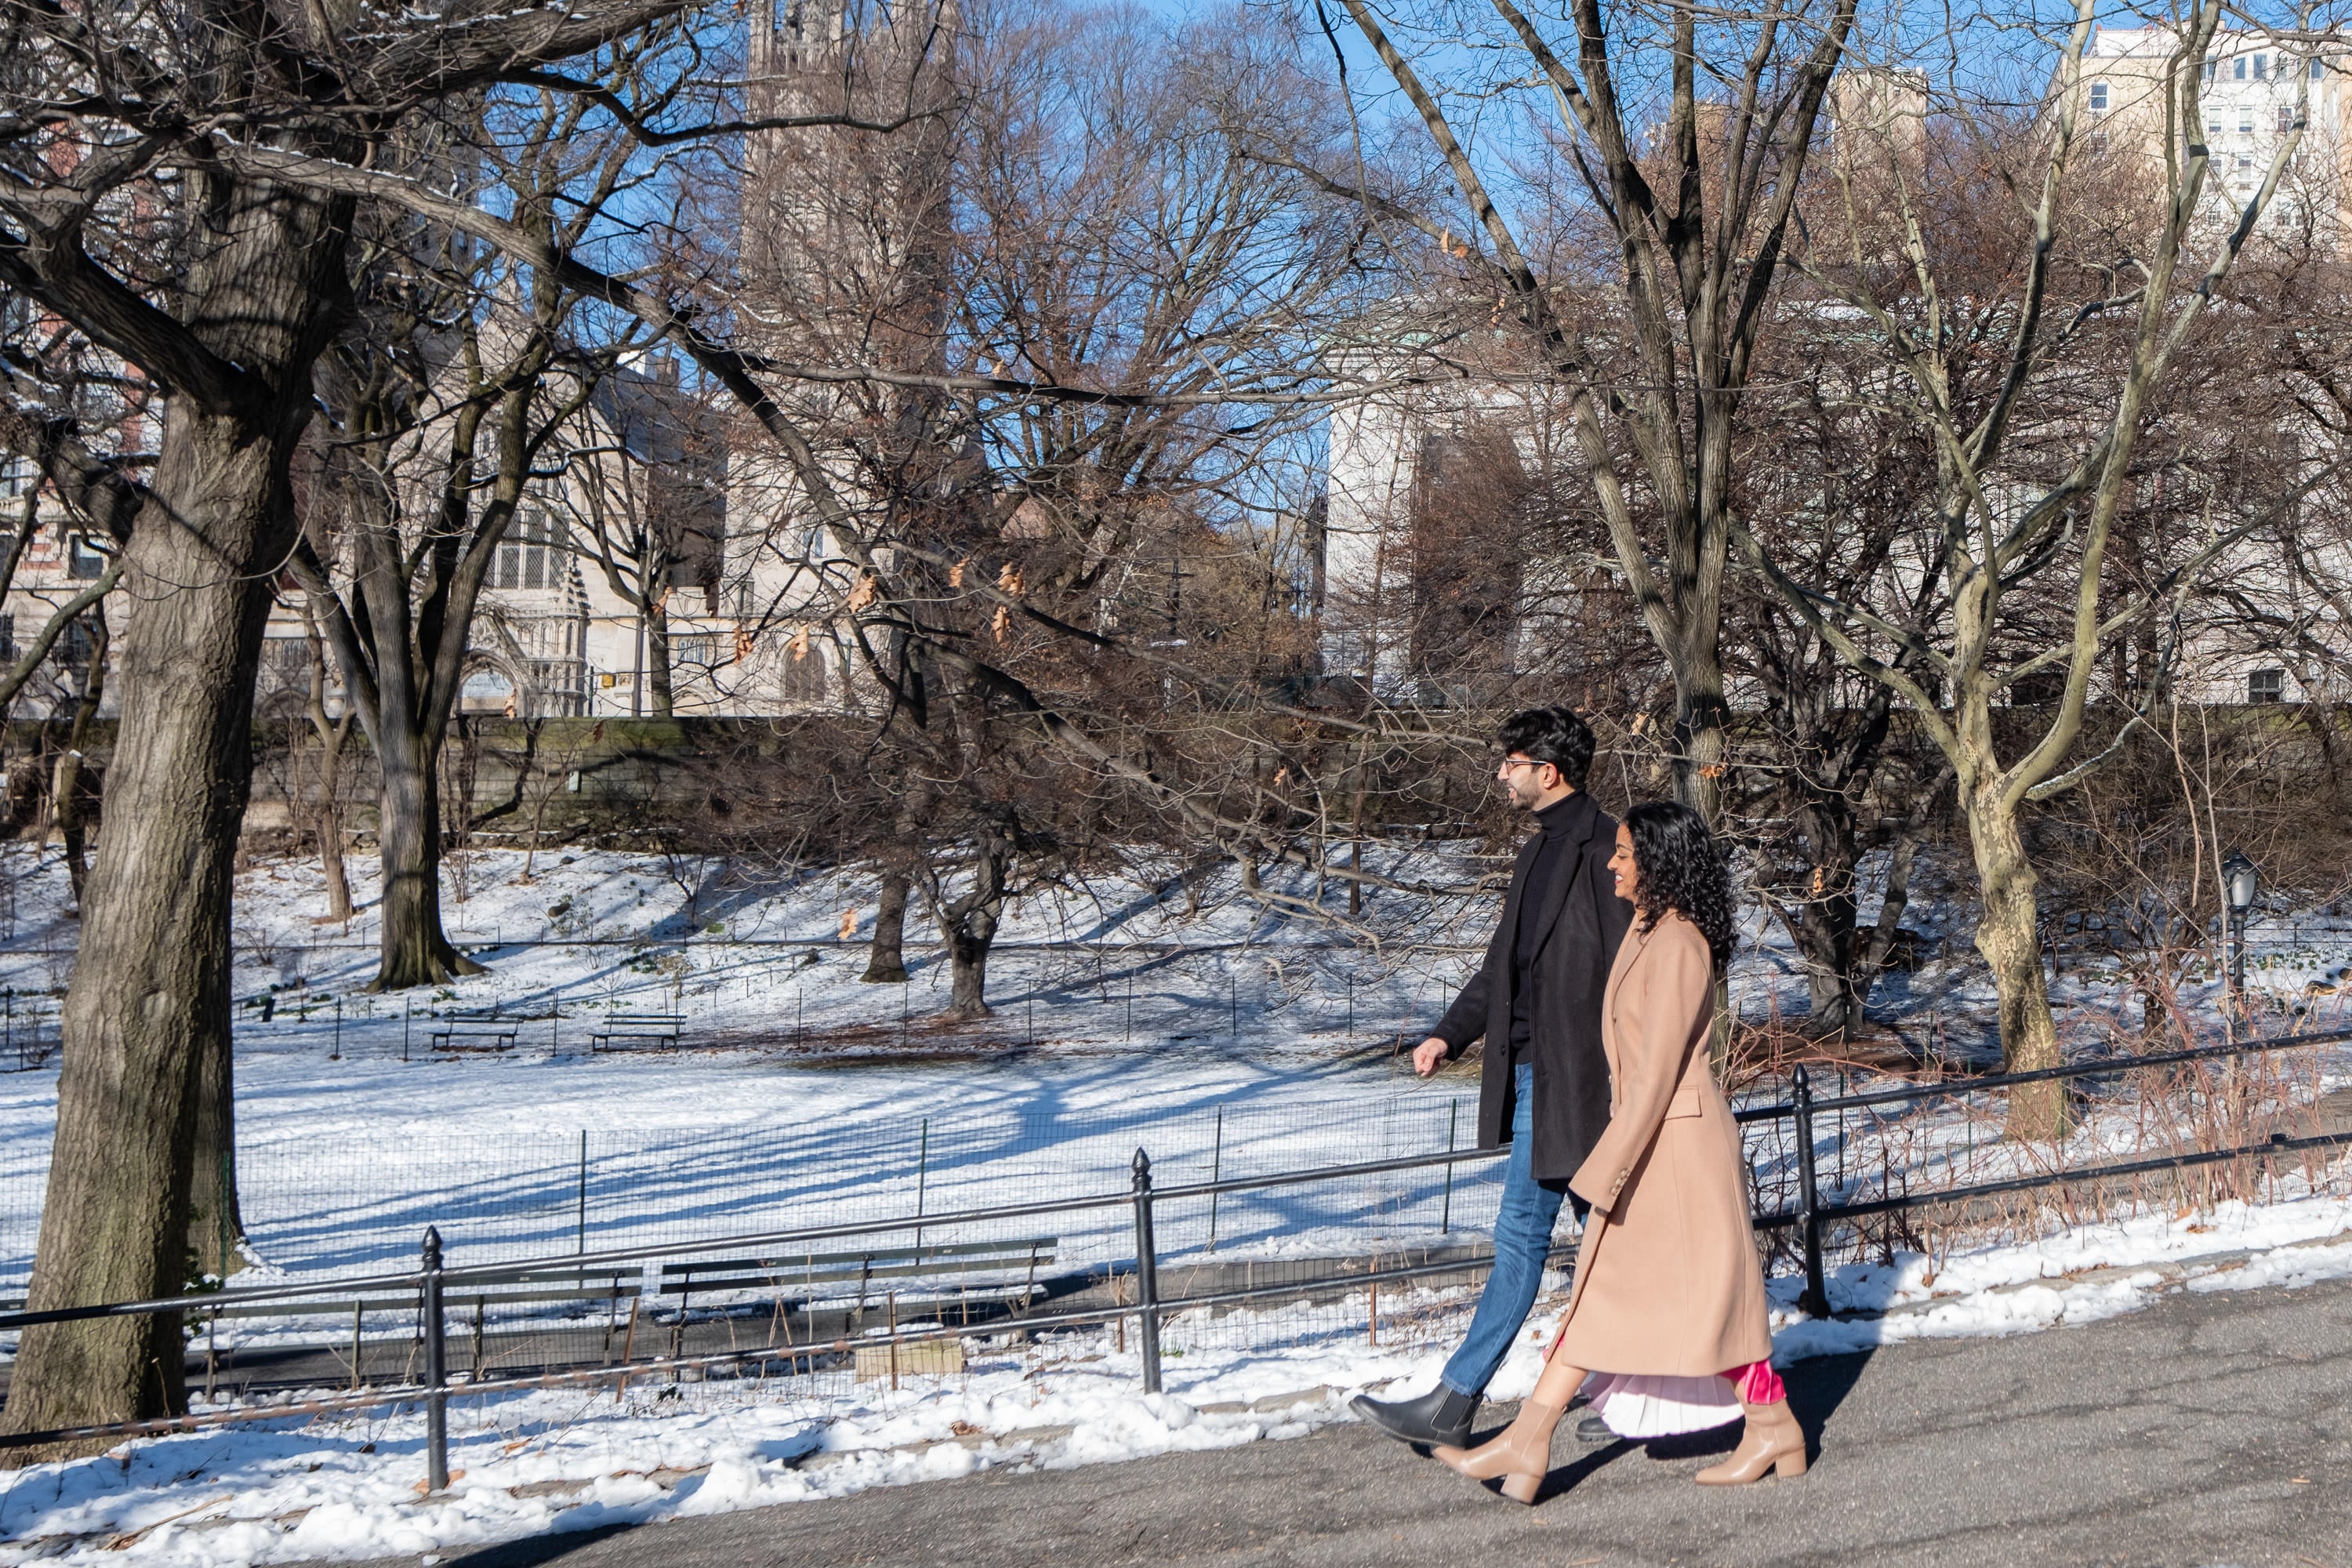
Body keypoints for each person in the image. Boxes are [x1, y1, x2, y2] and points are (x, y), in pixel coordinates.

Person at [1426, 800, 1807, 1503]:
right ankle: (1534, 1438)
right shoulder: (1649, 930)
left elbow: (1659, 1074)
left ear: (1659, 863)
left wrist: (1605, 1168)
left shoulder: (1680, 944)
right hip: (1652, 1142)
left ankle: (1766, 1424)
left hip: (1675, 1149)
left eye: (1627, 853)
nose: (1613, 862)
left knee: (1685, 1301)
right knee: (1612, 1299)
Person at [1351, 706, 1632, 1450]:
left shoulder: (1610, 849)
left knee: (1530, 1237)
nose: (1499, 774)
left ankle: (1458, 1402)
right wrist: (1449, 1033)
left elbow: (1631, 977)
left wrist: (1631, 1080)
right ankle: (1639, 1389)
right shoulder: (1536, 853)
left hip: (1583, 1081)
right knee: (1602, 1239)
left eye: (1510, 761)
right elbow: (1502, 970)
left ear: (1549, 769)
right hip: (1541, 1073)